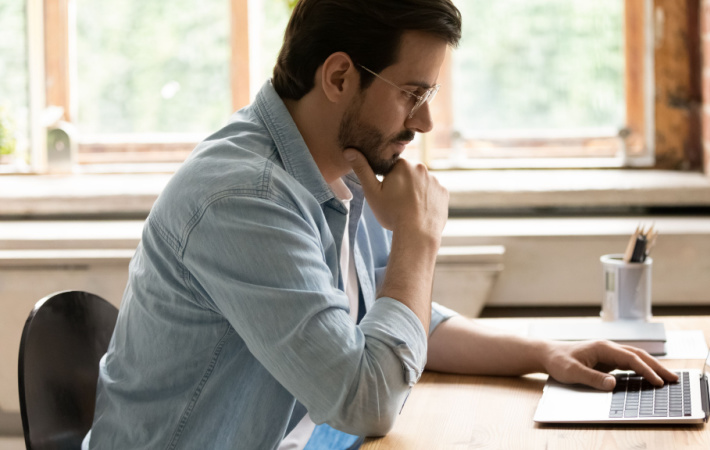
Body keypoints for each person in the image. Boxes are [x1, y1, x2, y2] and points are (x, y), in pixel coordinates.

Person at [84, 0, 677, 448]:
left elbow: (397, 322)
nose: (424, 121)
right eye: (412, 93)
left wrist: (548, 352)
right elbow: (365, 400)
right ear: (339, 77)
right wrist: (418, 240)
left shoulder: (343, 164)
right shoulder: (245, 198)